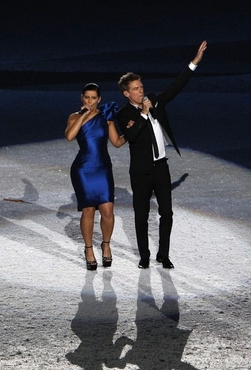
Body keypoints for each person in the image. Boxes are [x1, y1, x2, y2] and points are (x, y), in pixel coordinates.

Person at [116, 41, 207, 269]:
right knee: (141, 215)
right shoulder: (124, 114)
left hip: (161, 168)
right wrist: (144, 115)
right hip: (140, 172)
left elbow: (175, 87)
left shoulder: (154, 100)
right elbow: (133, 136)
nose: (141, 90)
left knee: (167, 213)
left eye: (141, 86)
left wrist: (193, 63)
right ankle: (144, 256)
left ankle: (163, 254)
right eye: (136, 88)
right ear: (127, 93)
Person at [65, 83, 126, 270]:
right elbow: (69, 136)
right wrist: (83, 114)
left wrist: (132, 132)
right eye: (87, 97)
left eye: (93, 98)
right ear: (82, 98)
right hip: (83, 169)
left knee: (107, 210)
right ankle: (89, 249)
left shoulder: (106, 117)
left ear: (99, 100)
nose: (90, 101)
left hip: (102, 168)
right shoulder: (74, 117)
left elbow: (116, 142)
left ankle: (106, 244)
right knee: (88, 210)